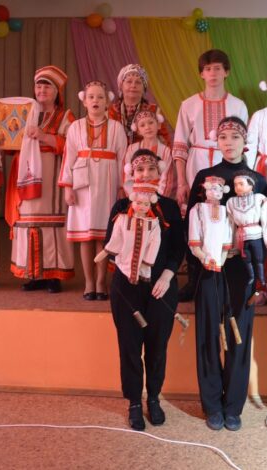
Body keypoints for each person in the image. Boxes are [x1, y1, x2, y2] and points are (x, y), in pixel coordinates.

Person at [187, 116, 267, 432]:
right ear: (217, 142)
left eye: (235, 137)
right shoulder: (204, 177)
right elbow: (192, 224)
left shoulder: (257, 180)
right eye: (223, 138)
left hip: (241, 269)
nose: (229, 143)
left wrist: (261, 277)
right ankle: (212, 405)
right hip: (209, 267)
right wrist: (198, 265)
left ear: (245, 141)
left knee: (238, 334)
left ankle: (233, 406)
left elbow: (265, 227)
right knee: (208, 334)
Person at [104, 149, 185, 431]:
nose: (146, 174)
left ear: (160, 173)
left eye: (151, 169)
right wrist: (130, 269)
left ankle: (153, 398)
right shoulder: (121, 206)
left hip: (161, 288)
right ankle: (134, 403)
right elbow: (110, 245)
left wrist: (167, 276)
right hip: (127, 288)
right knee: (129, 346)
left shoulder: (169, 208)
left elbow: (178, 248)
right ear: (131, 173)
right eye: (140, 170)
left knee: (157, 347)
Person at [0, 66, 75, 293]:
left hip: (52, 177)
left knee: (52, 225)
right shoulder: (23, 113)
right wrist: (1, 136)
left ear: (57, 91)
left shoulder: (65, 116)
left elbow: (73, 146)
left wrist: (45, 136)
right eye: (39, 86)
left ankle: (54, 275)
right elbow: (11, 147)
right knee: (27, 223)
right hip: (25, 175)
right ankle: (33, 273)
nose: (42, 90)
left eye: (47, 86)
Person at [173, 49, 248, 301]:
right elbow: (180, 145)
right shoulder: (188, 105)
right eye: (208, 69)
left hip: (228, 165)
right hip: (196, 164)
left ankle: (227, 277)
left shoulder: (237, 105)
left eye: (217, 68)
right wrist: (181, 181)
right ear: (201, 74)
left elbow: (244, 145)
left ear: (226, 72)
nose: (213, 73)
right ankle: (195, 280)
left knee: (226, 220)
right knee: (195, 221)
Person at [59, 81, 128, 300]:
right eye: (91, 97)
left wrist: (122, 187)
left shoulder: (116, 127)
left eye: (100, 97)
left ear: (107, 102)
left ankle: (101, 282)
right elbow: (68, 158)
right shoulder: (75, 127)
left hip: (108, 184)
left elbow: (123, 159)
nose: (95, 101)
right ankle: (89, 282)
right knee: (86, 236)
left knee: (103, 235)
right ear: (84, 101)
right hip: (82, 185)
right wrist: (67, 187)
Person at [109, 64, 171, 146]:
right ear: (121, 86)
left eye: (138, 82)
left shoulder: (153, 110)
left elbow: (165, 141)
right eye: (129, 81)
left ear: (144, 88)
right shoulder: (110, 111)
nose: (133, 85)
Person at [123, 109, 176, 198]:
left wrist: (157, 199)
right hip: (136, 198)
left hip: (158, 198)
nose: (147, 127)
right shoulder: (132, 149)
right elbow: (127, 176)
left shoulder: (165, 150)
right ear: (138, 130)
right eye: (142, 125)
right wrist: (134, 198)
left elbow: (166, 179)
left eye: (151, 123)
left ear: (158, 125)